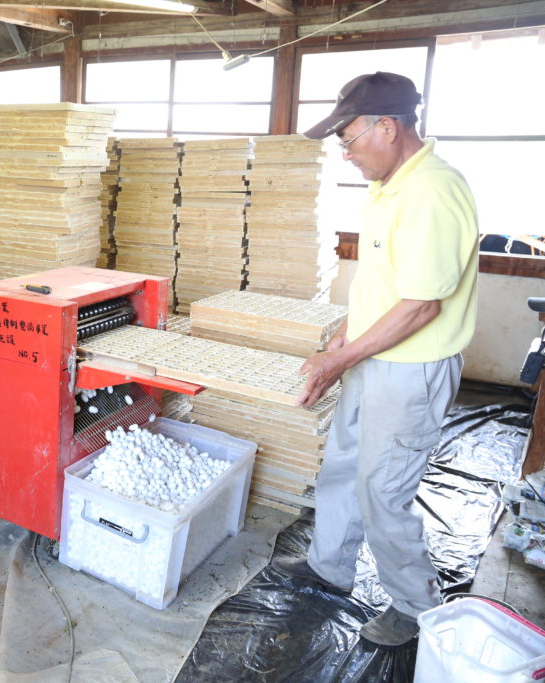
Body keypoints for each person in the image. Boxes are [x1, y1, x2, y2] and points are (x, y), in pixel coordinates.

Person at [273, 72, 479, 645]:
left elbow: (420, 307)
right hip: (374, 357)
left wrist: (337, 363)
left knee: (383, 489)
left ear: (387, 127)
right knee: (341, 464)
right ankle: (329, 566)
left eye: (349, 138)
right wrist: (343, 338)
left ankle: (416, 607)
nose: (346, 153)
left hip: (411, 369)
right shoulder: (389, 187)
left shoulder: (432, 190)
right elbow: (383, 285)